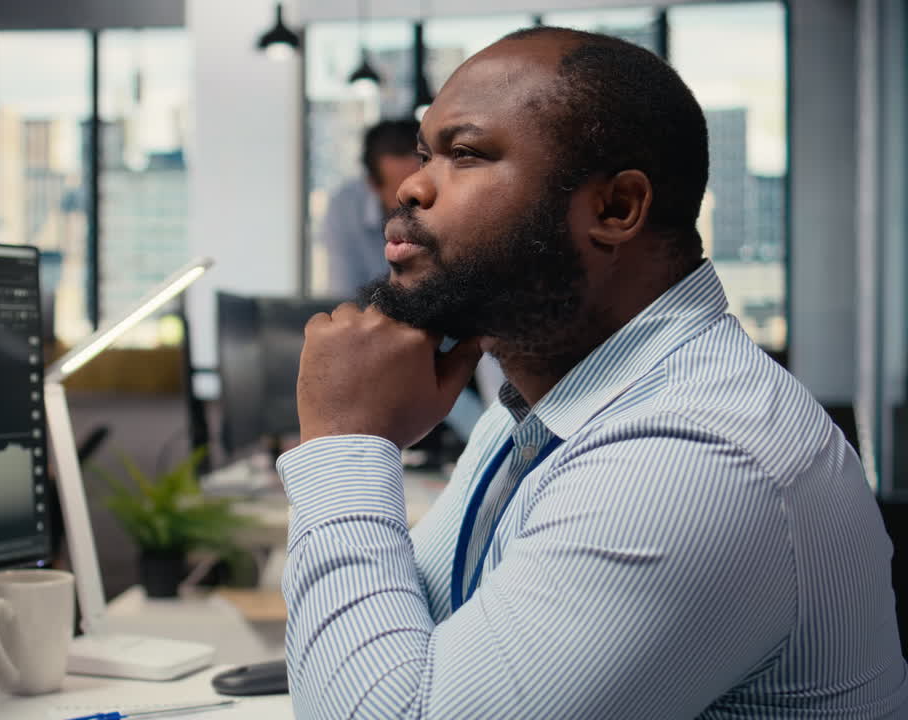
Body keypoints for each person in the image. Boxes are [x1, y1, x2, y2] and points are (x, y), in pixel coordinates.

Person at [279, 26, 908, 720]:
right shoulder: (546, 402)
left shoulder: (696, 457)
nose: (411, 187)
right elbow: (384, 656)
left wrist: (343, 441)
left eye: (464, 154)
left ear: (614, 209)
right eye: (425, 153)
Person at [320, 119, 421, 297]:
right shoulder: (345, 209)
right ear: (373, 185)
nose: (419, 202)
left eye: (420, 186)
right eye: (400, 194)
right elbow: (344, 297)